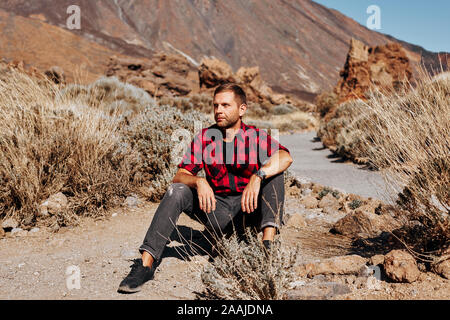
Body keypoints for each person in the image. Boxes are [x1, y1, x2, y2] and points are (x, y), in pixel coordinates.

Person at [118, 83, 293, 293]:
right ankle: (145, 265)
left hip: (248, 213)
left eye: (226, 105)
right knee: (178, 190)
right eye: (216, 105)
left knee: (274, 174)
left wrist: (258, 176)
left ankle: (267, 249)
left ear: (242, 109)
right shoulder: (204, 138)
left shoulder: (255, 137)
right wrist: (199, 181)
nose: (219, 110)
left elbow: (285, 157)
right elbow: (179, 175)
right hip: (216, 211)